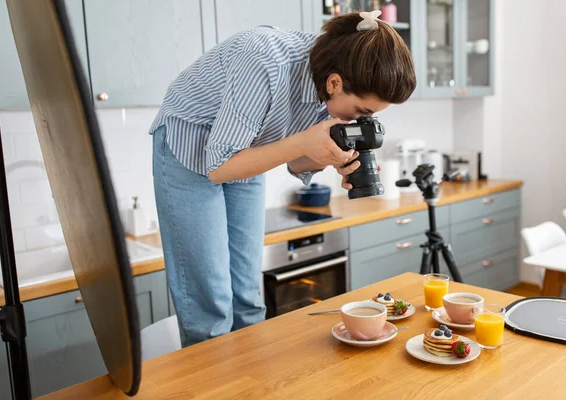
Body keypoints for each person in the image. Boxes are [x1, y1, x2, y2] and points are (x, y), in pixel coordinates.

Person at [149, 10, 416, 347]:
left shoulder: (330, 84)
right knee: (211, 298)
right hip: (187, 147)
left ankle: (250, 384)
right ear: (335, 83)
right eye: (363, 112)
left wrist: (330, 159)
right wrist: (303, 143)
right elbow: (220, 166)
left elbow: (295, 163)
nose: (361, 120)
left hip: (243, 149)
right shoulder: (263, 61)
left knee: (247, 291)